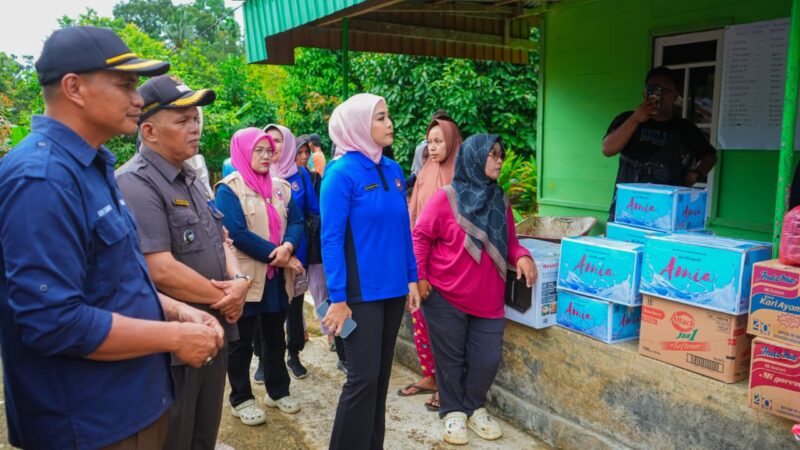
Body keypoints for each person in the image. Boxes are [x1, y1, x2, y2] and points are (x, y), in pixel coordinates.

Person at [0, 26, 224, 450]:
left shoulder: (89, 166)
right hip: (90, 423)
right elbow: (54, 323)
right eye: (125, 86)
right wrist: (174, 337)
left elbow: (112, 282)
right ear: (74, 88)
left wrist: (175, 311)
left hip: (130, 406)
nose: (138, 100)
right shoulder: (42, 178)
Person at [116, 74, 247, 450]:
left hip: (214, 327)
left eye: (195, 118)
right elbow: (158, 268)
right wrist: (227, 297)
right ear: (150, 131)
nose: (195, 127)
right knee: (175, 437)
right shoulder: (135, 183)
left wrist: (238, 280)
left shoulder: (190, 177)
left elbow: (220, 238)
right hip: (173, 341)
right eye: (182, 120)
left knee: (204, 435)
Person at [413, 134, 537, 445]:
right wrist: (420, 277)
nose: (498, 160)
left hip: (488, 299)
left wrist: (522, 256)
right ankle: (454, 411)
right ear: (474, 158)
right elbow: (421, 237)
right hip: (445, 294)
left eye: (500, 154)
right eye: (492, 154)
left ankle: (473, 405)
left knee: (487, 358)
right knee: (450, 358)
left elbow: (510, 242)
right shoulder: (446, 197)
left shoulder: (500, 199)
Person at [320, 93, 421, 450]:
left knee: (379, 379)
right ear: (359, 126)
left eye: (387, 116)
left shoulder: (393, 170)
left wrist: (412, 278)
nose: (388, 123)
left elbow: (403, 230)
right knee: (361, 380)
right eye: (379, 118)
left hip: (394, 291)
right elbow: (330, 240)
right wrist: (338, 298)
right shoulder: (340, 173)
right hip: (360, 295)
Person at [215, 128, 306, 425]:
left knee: (274, 336)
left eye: (269, 150)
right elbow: (236, 232)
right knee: (241, 342)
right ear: (243, 152)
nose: (267, 156)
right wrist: (278, 254)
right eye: (259, 151)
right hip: (247, 277)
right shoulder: (229, 188)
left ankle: (277, 391)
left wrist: (289, 246)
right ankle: (241, 399)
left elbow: (296, 220)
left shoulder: (281, 187)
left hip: (276, 279)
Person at [399, 117, 464, 411]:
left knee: (446, 329)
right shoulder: (425, 171)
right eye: (430, 142)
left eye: (440, 141)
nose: (433, 147)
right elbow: (413, 215)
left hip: (451, 265)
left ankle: (448, 385)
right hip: (421, 259)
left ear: (452, 142)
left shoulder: (464, 175)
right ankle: (431, 376)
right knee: (421, 321)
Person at [602, 66, 717, 220]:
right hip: (628, 208)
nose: (659, 95)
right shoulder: (627, 119)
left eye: (666, 90)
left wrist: (697, 173)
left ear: (675, 96)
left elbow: (710, 156)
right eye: (654, 89)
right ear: (644, 94)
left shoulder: (685, 128)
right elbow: (607, 149)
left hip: (667, 212)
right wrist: (636, 119)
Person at [265, 123, 321, 380]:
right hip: (266, 254)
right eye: (269, 140)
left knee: (295, 304)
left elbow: (313, 211)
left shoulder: (299, 175)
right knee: (267, 306)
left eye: (279, 141)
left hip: (297, 252)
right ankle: (264, 359)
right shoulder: (258, 173)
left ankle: (294, 353)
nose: (274, 146)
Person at [296, 134, 349, 373]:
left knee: (330, 293)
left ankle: (341, 339)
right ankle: (331, 336)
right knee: (319, 295)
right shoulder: (305, 178)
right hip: (310, 247)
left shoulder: (318, 177)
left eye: (307, 152)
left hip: (325, 245)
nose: (306, 157)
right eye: (301, 153)